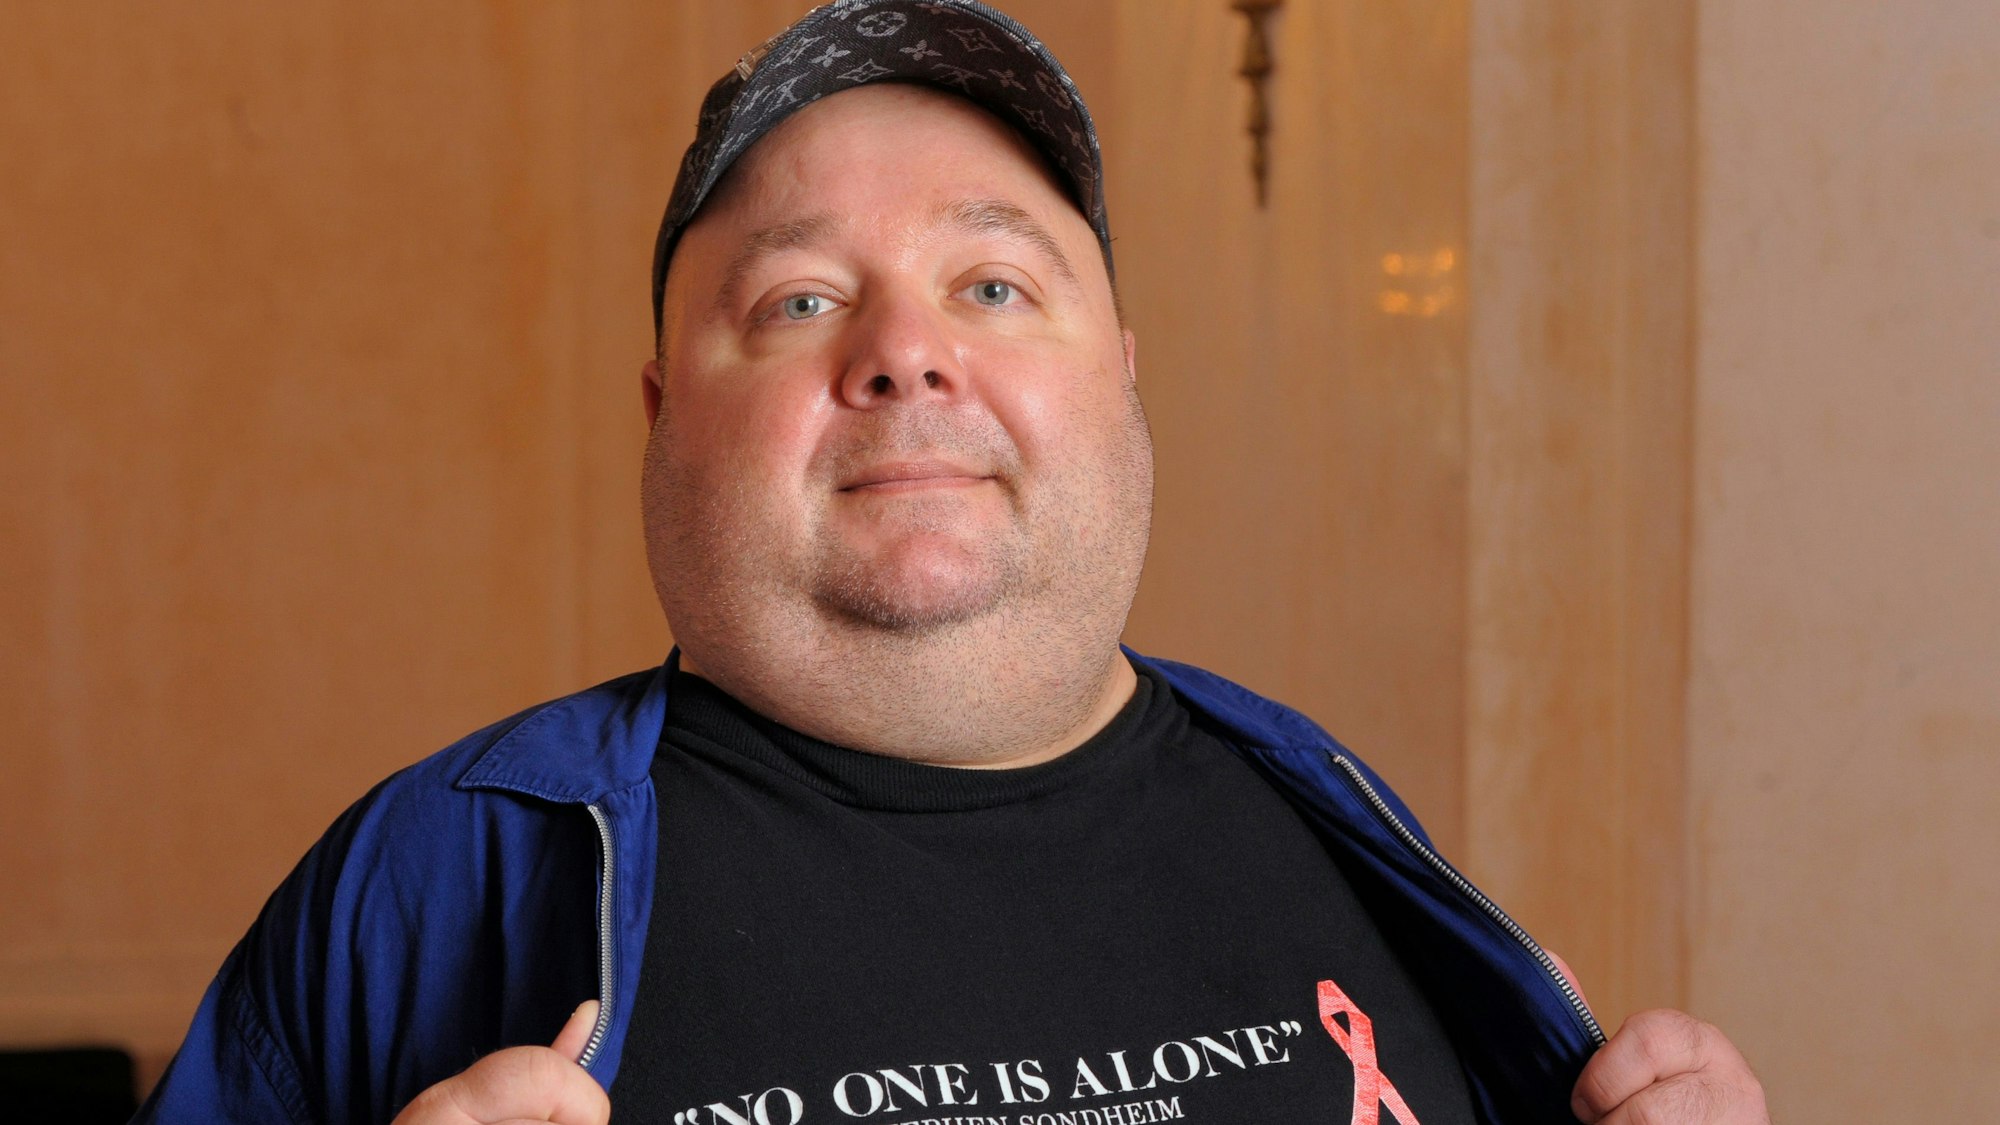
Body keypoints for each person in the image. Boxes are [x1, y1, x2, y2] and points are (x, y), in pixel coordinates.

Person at [136, 2, 1767, 1123]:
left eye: (992, 283)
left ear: (1122, 371)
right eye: (796, 300)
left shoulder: (1336, 814)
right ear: (660, 416)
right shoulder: (434, 885)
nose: (907, 354)